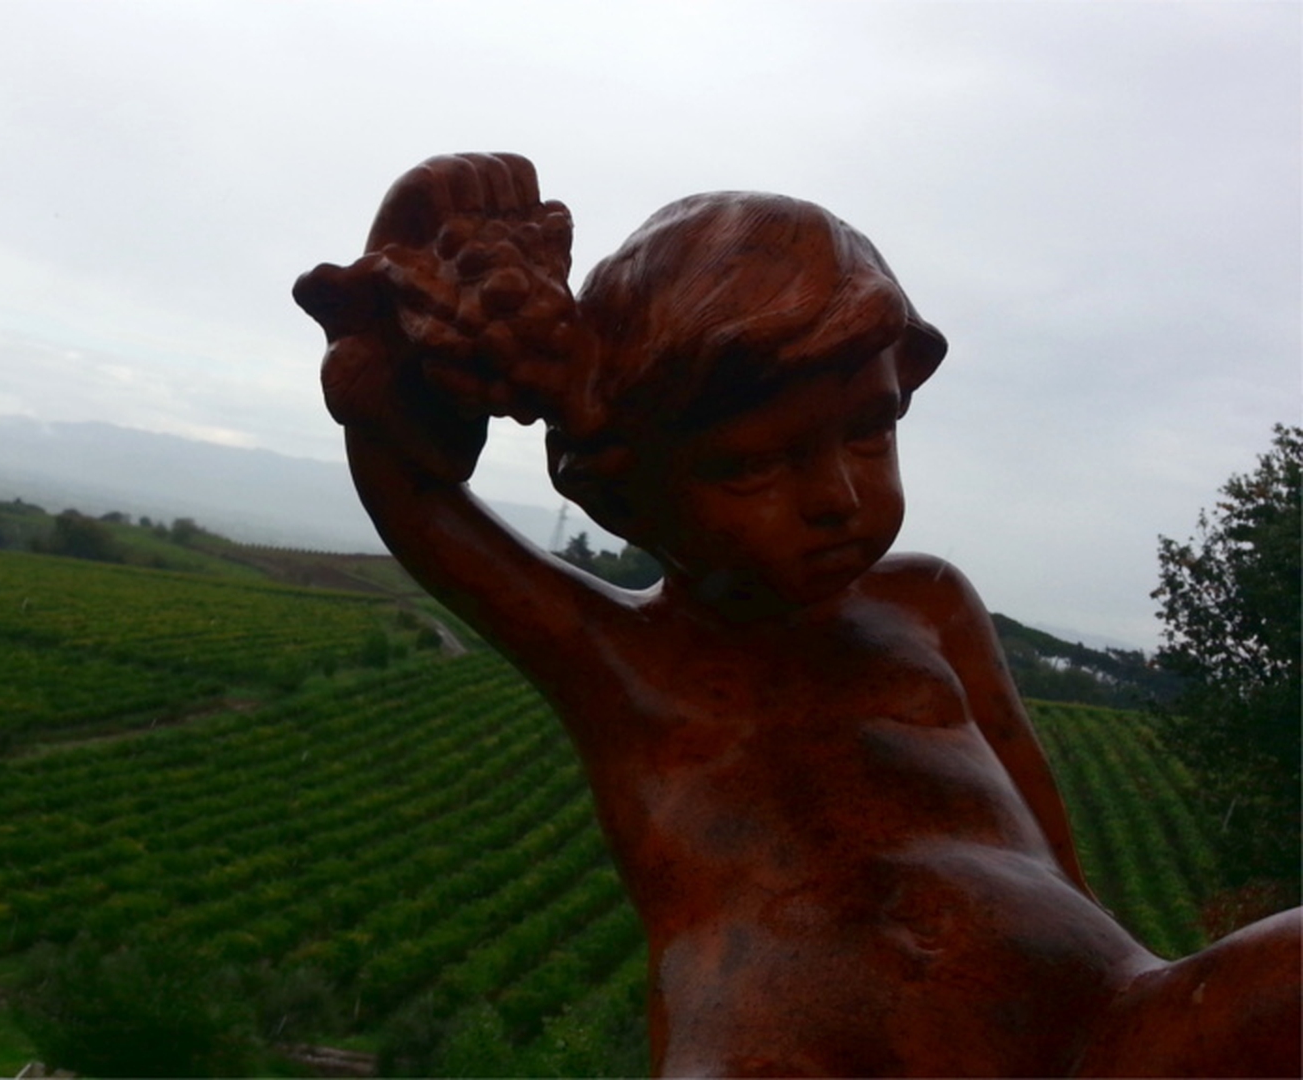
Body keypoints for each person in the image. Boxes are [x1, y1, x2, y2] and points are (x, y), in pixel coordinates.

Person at [294, 152, 1301, 1078]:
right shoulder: (621, 659)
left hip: (1107, 1028)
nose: (837, 497)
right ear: (624, 490)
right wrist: (410, 246)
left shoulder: (927, 602)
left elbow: (1053, 852)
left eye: (869, 433)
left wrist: (1126, 969)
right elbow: (415, 497)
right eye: (754, 466)